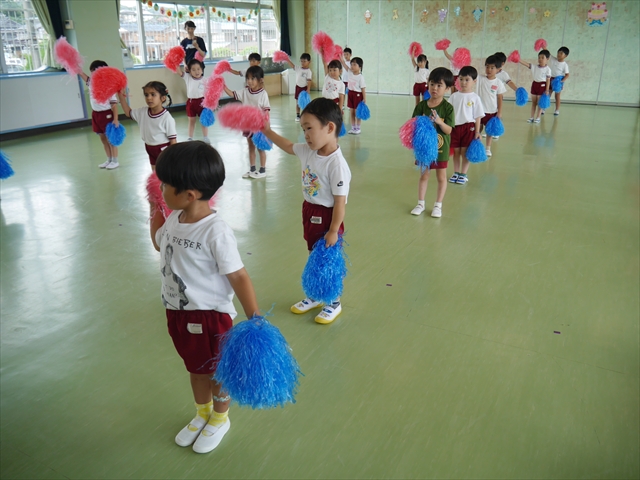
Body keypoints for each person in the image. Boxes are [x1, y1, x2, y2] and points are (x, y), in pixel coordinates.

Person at [150, 141, 260, 454]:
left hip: (209, 316)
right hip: (177, 312)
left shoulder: (215, 231)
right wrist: (153, 209)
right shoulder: (175, 218)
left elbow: (238, 275)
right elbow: (158, 243)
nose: (161, 188)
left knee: (217, 371)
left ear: (189, 194)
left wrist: (255, 317)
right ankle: (202, 413)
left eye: (166, 184)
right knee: (195, 368)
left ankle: (220, 417)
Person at [262, 98, 351, 325]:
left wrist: (333, 230)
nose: (306, 135)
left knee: (329, 260)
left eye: (309, 128)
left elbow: (340, 202)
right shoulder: (308, 152)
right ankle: (316, 295)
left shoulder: (337, 165)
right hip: (309, 211)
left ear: (329, 128)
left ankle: (333, 301)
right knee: (314, 255)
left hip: (328, 216)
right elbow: (287, 145)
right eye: (303, 129)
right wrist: (267, 131)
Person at [409, 67, 455, 218]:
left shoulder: (448, 108)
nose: (435, 88)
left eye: (439, 85)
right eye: (432, 84)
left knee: (441, 177)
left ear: (447, 88)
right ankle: (420, 203)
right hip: (424, 150)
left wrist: (439, 122)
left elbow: (449, 130)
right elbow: (413, 125)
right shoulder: (421, 106)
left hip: (441, 149)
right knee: (424, 176)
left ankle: (438, 205)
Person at [222, 66, 271, 179]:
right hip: (247, 124)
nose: (249, 81)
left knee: (260, 148)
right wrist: (223, 86)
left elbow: (266, 111)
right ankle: (252, 169)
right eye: (248, 78)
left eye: (253, 78)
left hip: (259, 126)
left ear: (260, 80)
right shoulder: (245, 91)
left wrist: (265, 124)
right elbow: (232, 94)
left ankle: (262, 170)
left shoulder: (263, 94)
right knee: (250, 146)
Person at [118, 81, 177, 170]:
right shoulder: (143, 112)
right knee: (154, 172)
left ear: (163, 98)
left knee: (164, 173)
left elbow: (173, 140)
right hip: (149, 148)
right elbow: (128, 113)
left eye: (153, 94)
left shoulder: (167, 118)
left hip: (163, 150)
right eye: (146, 95)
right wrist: (121, 97)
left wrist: (174, 157)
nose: (149, 98)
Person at [78, 60, 120, 169]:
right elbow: (83, 75)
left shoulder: (109, 86)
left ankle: (115, 161)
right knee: (103, 139)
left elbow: (114, 105)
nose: (92, 74)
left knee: (111, 140)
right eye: (91, 71)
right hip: (96, 115)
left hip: (106, 115)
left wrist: (115, 119)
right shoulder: (92, 83)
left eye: (94, 71)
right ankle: (109, 160)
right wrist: (77, 68)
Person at [447, 66, 485, 185]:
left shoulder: (475, 98)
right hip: (455, 128)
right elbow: (448, 112)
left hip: (469, 128)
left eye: (467, 80)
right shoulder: (454, 96)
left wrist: (477, 132)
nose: (463, 82)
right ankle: (456, 172)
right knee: (456, 152)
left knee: (465, 153)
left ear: (474, 81)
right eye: (461, 79)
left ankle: (463, 174)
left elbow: (478, 116)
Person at [476, 55, 506, 156]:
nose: (489, 69)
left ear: (498, 69)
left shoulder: (498, 83)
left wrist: (499, 112)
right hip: (479, 111)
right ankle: (476, 145)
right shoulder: (480, 78)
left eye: (492, 67)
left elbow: (500, 98)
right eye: (487, 67)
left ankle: (488, 148)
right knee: (477, 129)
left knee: (489, 131)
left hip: (491, 111)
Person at [175, 59, 209, 143]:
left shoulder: (205, 80)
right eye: (193, 69)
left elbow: (209, 92)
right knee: (191, 121)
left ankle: (205, 137)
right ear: (189, 71)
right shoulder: (187, 77)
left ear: (202, 70)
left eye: (198, 69)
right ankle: (190, 138)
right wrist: (176, 62)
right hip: (191, 103)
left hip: (202, 102)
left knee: (203, 121)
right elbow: (178, 72)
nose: (196, 71)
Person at [519, 50, 551, 123]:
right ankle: (531, 117)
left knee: (539, 103)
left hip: (542, 86)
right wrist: (518, 59)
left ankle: (538, 117)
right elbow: (526, 64)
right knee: (534, 102)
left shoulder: (548, 69)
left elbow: (548, 80)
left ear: (547, 59)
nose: (540, 59)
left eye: (542, 58)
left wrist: (547, 90)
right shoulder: (534, 67)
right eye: (539, 57)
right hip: (534, 85)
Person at [284, 53, 312, 122]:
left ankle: (306, 114)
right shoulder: (298, 69)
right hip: (298, 88)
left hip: (304, 88)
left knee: (305, 102)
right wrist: (287, 60)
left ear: (309, 62)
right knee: (297, 102)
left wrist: (308, 89)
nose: (302, 63)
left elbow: (309, 81)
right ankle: (298, 115)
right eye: (301, 61)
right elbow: (292, 65)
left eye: (304, 61)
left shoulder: (309, 71)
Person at [346, 57, 366, 135]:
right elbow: (344, 65)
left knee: (357, 112)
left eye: (354, 64)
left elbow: (363, 88)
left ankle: (358, 128)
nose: (352, 66)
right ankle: (353, 128)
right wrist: (341, 59)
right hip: (350, 94)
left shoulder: (361, 77)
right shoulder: (350, 73)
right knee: (351, 112)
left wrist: (364, 98)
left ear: (360, 67)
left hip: (358, 95)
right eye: (351, 64)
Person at [548, 47, 570, 115]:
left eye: (561, 53)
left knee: (557, 96)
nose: (559, 54)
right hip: (551, 79)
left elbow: (567, 75)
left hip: (558, 80)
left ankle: (557, 110)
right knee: (548, 94)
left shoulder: (565, 65)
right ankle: (543, 108)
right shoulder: (553, 59)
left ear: (565, 56)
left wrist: (561, 82)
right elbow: (547, 52)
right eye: (558, 52)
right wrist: (543, 46)